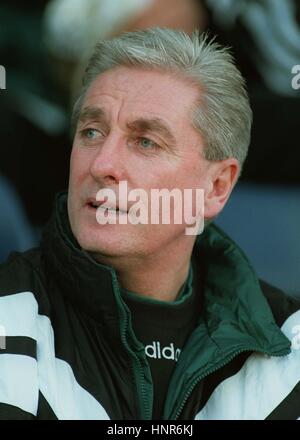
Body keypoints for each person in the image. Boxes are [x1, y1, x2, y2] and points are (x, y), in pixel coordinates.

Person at [0, 28, 299, 420]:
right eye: (92, 132)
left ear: (217, 186)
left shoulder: (290, 343)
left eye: (145, 142)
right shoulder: (8, 318)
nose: (102, 164)